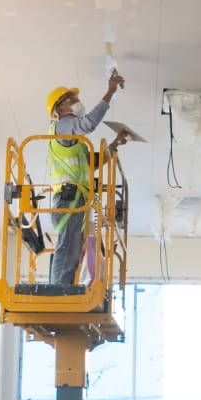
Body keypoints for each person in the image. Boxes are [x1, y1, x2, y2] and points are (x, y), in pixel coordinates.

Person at [45, 70, 128, 287]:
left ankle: (65, 288)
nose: (76, 102)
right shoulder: (62, 127)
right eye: (71, 100)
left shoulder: (76, 142)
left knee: (73, 248)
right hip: (67, 198)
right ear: (59, 109)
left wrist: (114, 145)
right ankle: (58, 291)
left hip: (77, 200)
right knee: (68, 247)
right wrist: (110, 91)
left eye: (76, 99)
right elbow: (88, 124)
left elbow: (94, 164)